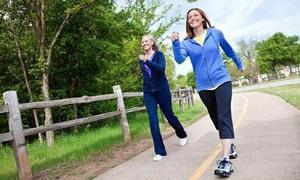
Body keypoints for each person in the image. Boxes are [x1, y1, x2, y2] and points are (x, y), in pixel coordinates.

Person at [171, 8, 244, 177]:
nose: (192, 18)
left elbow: (228, 49)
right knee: (215, 118)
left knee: (224, 117)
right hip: (203, 86)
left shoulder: (215, 33)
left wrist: (238, 62)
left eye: (196, 15)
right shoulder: (186, 43)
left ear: (203, 18)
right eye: (189, 17)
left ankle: (225, 160)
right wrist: (175, 43)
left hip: (222, 80)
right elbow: (180, 59)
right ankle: (230, 143)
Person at [139, 34, 188, 162]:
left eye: (146, 41)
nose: (144, 43)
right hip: (149, 92)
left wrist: (147, 61)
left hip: (162, 90)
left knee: (169, 115)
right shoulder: (142, 58)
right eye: (142, 42)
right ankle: (160, 151)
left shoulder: (159, 55)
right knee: (152, 119)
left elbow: (161, 69)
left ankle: (181, 134)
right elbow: (146, 75)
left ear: (152, 42)